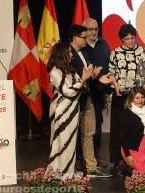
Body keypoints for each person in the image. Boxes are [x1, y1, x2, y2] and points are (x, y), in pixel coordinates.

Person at [68, 24, 111, 177]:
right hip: (73, 101)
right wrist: (87, 76)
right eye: (84, 37)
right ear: (75, 38)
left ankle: (91, 167)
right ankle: (69, 167)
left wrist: (98, 76)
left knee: (88, 133)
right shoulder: (66, 53)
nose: (86, 39)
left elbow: (87, 75)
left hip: (88, 98)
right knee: (71, 134)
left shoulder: (84, 53)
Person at [47, 41, 94, 174]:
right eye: (69, 52)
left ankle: (68, 174)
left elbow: (80, 87)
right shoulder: (55, 72)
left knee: (70, 145)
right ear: (62, 54)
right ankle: (57, 174)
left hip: (72, 111)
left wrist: (89, 75)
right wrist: (83, 79)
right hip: (62, 113)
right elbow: (68, 92)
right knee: (60, 144)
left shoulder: (70, 70)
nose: (72, 54)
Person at [108, 24, 145, 173]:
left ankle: (135, 158)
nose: (130, 41)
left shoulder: (141, 51)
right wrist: (116, 85)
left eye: (132, 38)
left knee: (135, 127)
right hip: (120, 95)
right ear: (121, 39)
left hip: (136, 96)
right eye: (127, 39)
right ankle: (116, 159)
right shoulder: (115, 53)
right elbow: (111, 72)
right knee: (119, 128)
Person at [82, 18, 111, 163]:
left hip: (100, 92)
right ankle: (83, 158)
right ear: (84, 31)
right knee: (85, 128)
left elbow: (107, 66)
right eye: (90, 29)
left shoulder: (103, 44)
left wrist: (106, 90)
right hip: (85, 93)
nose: (94, 32)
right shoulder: (80, 46)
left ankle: (96, 156)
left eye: (96, 29)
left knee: (98, 125)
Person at [116, 87, 145, 174]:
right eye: (137, 98)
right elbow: (122, 137)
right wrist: (128, 155)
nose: (140, 100)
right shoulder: (126, 113)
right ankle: (124, 164)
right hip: (133, 147)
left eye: (142, 97)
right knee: (142, 172)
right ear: (131, 99)